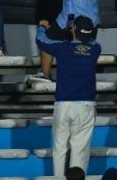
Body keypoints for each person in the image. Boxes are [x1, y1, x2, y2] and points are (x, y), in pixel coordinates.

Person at [35, 16, 100, 178]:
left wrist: (42, 26)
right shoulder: (95, 49)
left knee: (59, 148)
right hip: (86, 106)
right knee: (80, 149)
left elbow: (41, 40)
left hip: (64, 105)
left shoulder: (61, 48)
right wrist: (76, 31)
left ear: (73, 29)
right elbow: (88, 42)